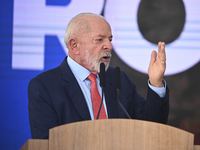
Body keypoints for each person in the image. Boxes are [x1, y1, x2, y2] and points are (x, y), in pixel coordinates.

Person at [28, 12, 169, 139]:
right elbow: (45, 143)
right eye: (100, 40)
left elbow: (151, 128)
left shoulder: (119, 79)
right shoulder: (44, 86)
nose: (109, 46)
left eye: (110, 39)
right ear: (74, 46)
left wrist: (156, 83)